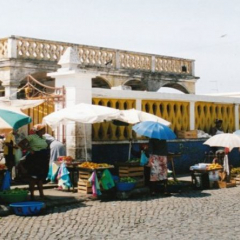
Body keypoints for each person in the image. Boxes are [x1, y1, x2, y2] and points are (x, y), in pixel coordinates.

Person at [18, 124, 50, 200]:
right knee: (33, 177)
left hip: (42, 159)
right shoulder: (31, 137)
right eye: (43, 129)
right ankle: (32, 195)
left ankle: (41, 194)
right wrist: (29, 149)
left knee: (40, 177)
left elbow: (45, 146)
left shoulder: (44, 138)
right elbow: (20, 144)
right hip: (34, 159)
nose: (44, 131)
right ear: (38, 131)